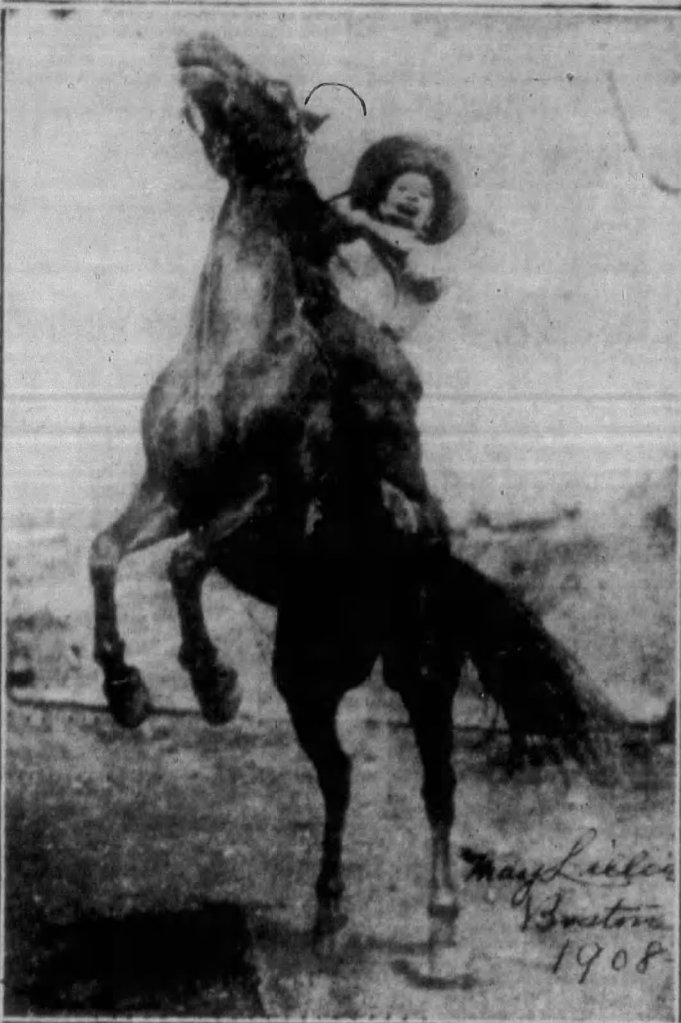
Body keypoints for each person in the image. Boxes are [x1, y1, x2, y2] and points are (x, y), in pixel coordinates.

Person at [300, 134, 468, 540]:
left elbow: (412, 262)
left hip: (379, 365)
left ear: (430, 217)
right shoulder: (352, 241)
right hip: (324, 344)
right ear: (378, 197)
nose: (412, 198)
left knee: (390, 426)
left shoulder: (423, 258)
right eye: (402, 189)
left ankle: (407, 494)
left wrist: (360, 220)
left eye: (423, 195)